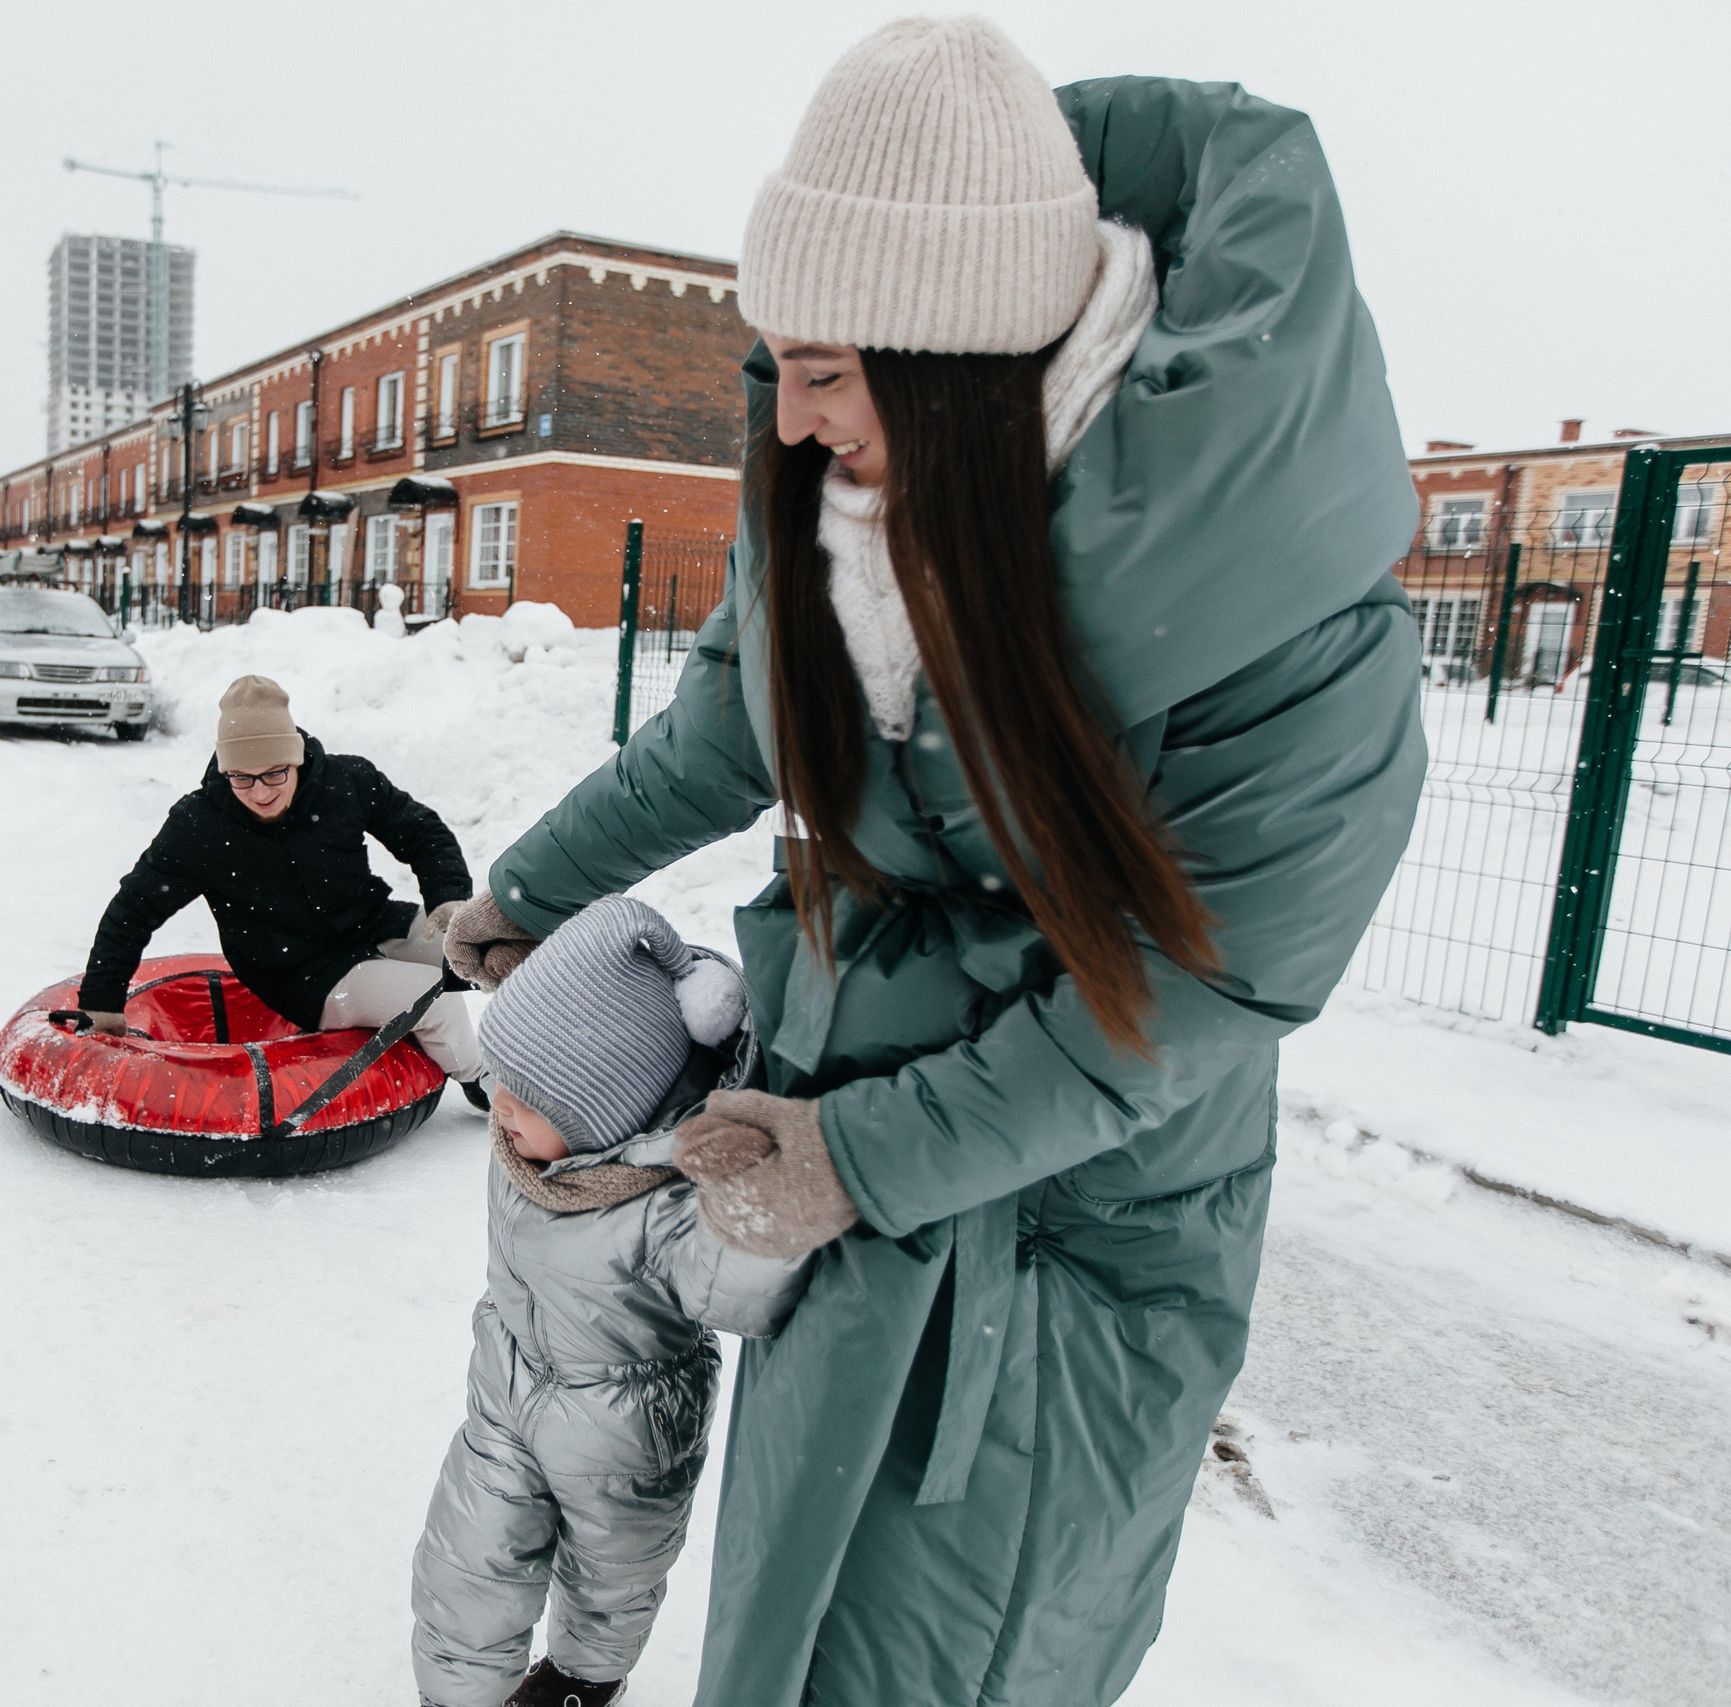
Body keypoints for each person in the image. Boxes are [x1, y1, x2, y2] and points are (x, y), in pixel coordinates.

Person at [445, 21, 1427, 1706]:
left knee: (960, 1653)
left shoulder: (1277, 600)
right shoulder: (841, 502)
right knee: (793, 1622)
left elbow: (1204, 985)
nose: (792, 417)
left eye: (827, 369)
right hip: (852, 1171)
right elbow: (728, 729)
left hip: (1060, 1228)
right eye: (780, 363)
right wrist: (526, 890)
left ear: (962, 350)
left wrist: (866, 1154)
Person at [409, 896, 805, 1707]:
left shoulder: (667, 1208)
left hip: (628, 1434)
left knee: (612, 1578)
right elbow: (562, 1015)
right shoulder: (529, 1143)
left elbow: (759, 1282)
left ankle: (583, 1678)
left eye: (527, 1099)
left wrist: (772, 1179)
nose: (500, 1108)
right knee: (464, 1562)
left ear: (607, 1115)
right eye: (502, 1080)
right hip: (506, 1396)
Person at [79, 674, 488, 1098]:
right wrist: (101, 1001)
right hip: (303, 974)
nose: (259, 792)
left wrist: (447, 896)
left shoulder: (345, 780)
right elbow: (133, 909)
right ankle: (486, 1083)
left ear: (295, 759)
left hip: (374, 924)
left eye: (274, 774)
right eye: (242, 778)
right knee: (434, 997)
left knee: (484, 950)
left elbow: (422, 833)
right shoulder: (199, 827)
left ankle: (525, 1046)